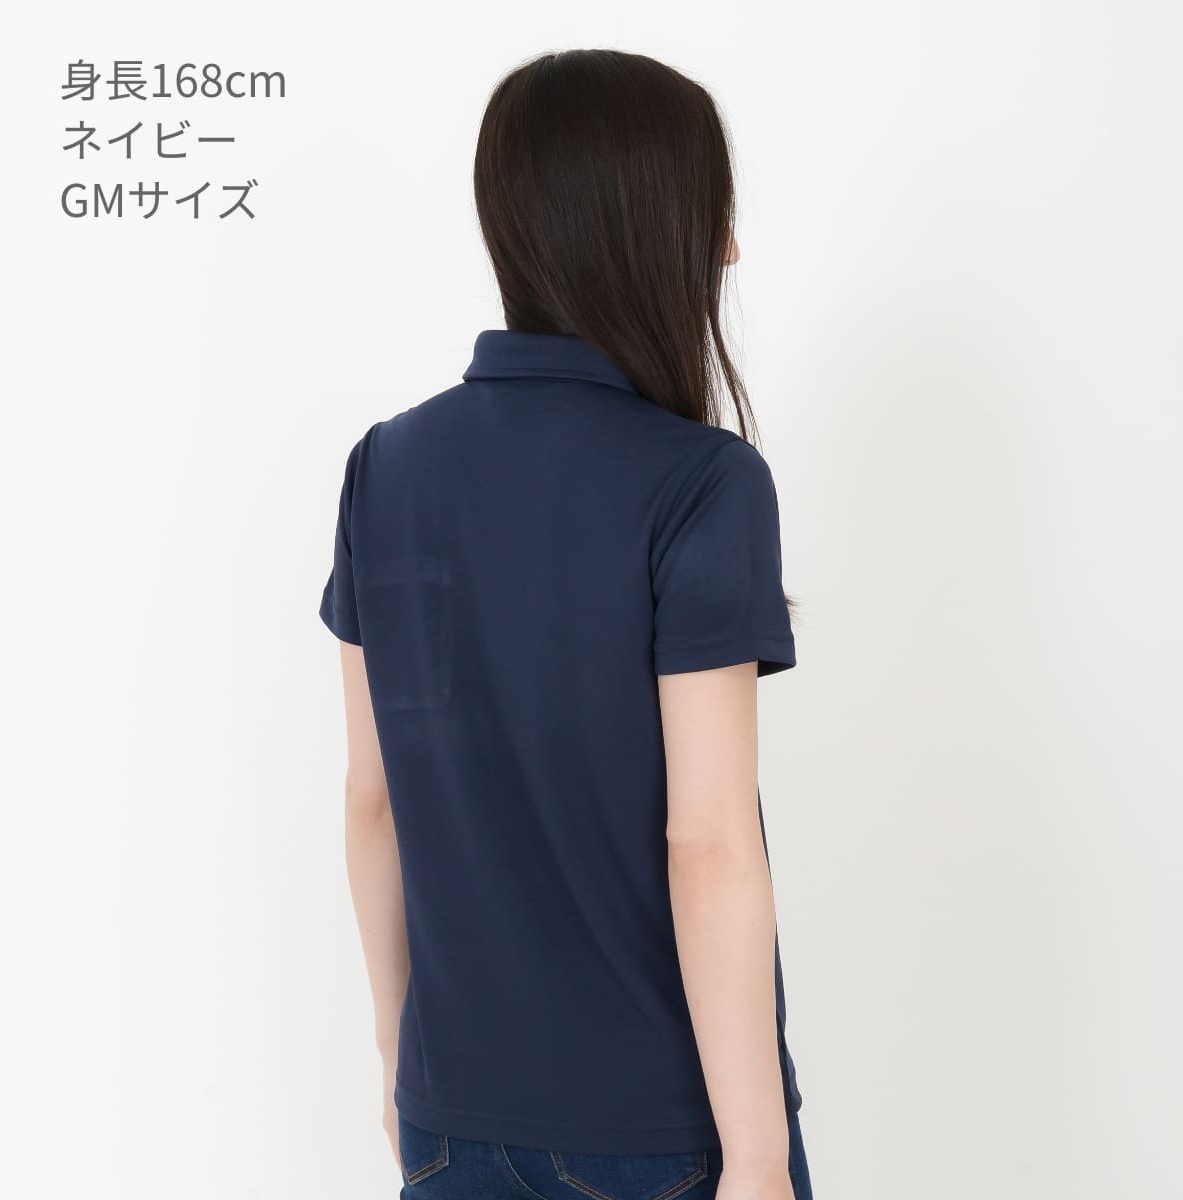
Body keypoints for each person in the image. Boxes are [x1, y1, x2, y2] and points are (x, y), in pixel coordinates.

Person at [319, 48, 814, 1200]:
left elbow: (372, 799)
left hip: (446, 1119)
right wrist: (753, 1159)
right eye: (713, 214)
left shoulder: (384, 470)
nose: (729, 251)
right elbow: (708, 843)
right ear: (647, 229)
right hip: (657, 1132)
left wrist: (396, 1060)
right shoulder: (701, 484)